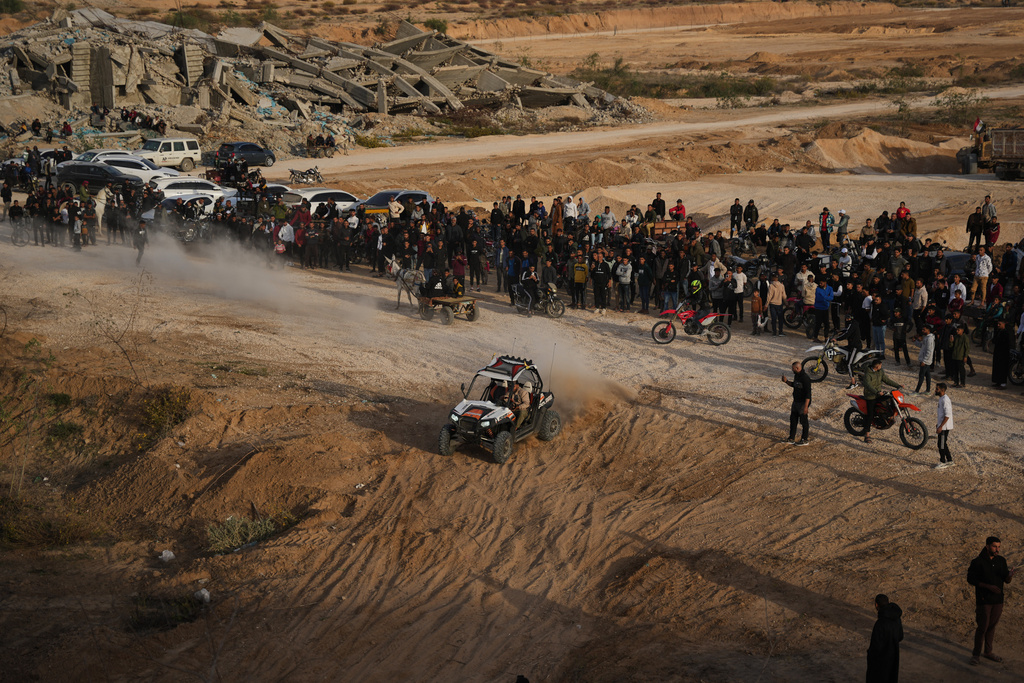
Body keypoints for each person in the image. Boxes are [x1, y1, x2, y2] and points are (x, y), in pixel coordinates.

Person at [967, 536, 1015, 666]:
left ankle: (988, 652)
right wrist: (987, 586)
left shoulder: (1001, 561)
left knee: (992, 626)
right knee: (982, 627)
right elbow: (970, 579)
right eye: (994, 546)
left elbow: (1006, 580)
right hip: (984, 600)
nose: (997, 549)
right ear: (987, 546)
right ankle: (976, 655)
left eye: (999, 547)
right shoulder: (977, 562)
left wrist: (1010, 577)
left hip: (998, 600)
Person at [859, 358, 901, 444]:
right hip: (870, 396)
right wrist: (877, 392)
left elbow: (886, 380)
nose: (881, 367)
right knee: (870, 415)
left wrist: (897, 385)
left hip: (879, 394)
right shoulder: (868, 374)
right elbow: (868, 386)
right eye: (880, 365)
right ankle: (867, 435)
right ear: (877, 366)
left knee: (889, 402)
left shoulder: (880, 371)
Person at [866, 594, 903, 683]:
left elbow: (875, 646)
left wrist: (870, 655)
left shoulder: (880, 623)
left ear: (876, 605)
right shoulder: (896, 618)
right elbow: (900, 636)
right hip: (893, 656)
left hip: (881, 661)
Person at [782, 361, 811, 446]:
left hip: (802, 403)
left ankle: (805, 439)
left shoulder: (805, 378)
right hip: (796, 402)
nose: (792, 370)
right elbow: (795, 385)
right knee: (793, 420)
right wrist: (786, 381)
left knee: (804, 421)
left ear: (797, 368)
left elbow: (808, 394)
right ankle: (791, 438)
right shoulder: (797, 376)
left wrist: (806, 407)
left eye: (793, 369)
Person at [934, 382, 953, 468]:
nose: (935, 390)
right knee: (943, 443)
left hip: (944, 427)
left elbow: (947, 415)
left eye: (937, 389)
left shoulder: (945, 400)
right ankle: (949, 460)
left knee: (941, 444)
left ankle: (943, 462)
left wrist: (941, 426)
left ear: (942, 390)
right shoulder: (942, 398)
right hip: (942, 425)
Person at [915, 325, 935, 394]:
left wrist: (924, 361)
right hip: (926, 360)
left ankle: (916, 391)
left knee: (921, 376)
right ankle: (928, 390)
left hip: (925, 361)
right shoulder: (926, 338)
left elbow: (929, 351)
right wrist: (916, 341)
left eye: (924, 330)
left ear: (928, 330)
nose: (922, 331)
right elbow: (922, 346)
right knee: (928, 376)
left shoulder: (929, 339)